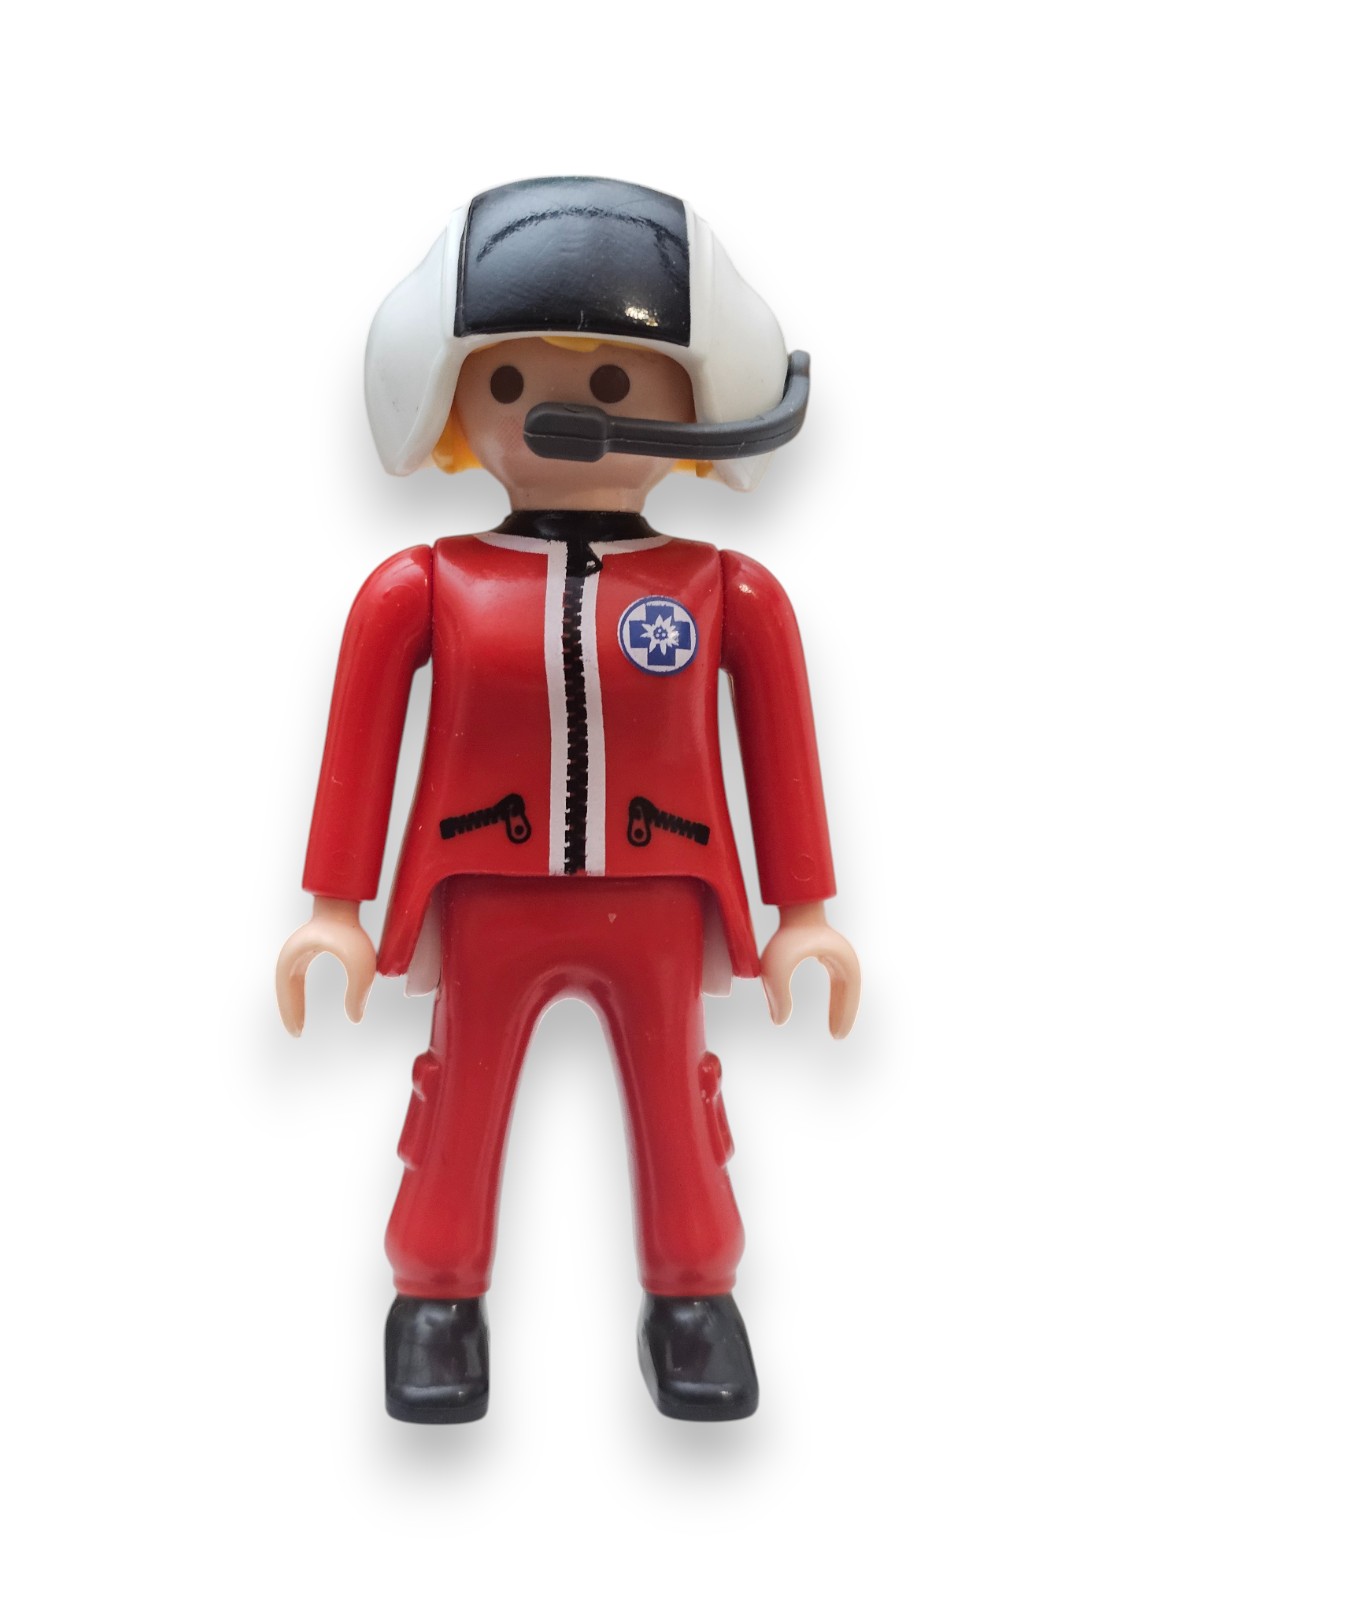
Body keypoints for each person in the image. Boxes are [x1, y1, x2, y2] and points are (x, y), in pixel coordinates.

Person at [276, 177, 860, 1423]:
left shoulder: (726, 591)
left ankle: (693, 1295)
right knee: (459, 1089)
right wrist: (335, 906)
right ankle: (434, 1295)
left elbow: (781, 748)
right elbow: (360, 740)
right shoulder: (424, 583)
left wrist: (802, 911)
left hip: (662, 891)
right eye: (507, 380)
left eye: (611, 383)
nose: (561, 411)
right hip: (483, 888)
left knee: (677, 1095)